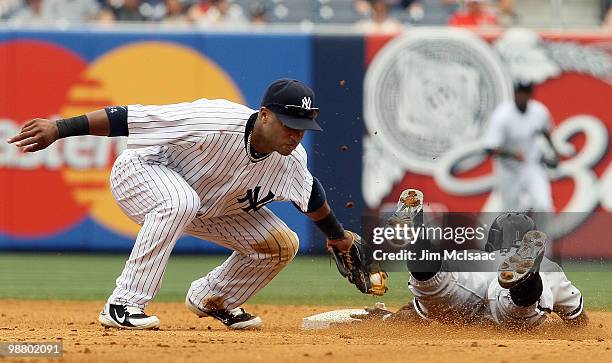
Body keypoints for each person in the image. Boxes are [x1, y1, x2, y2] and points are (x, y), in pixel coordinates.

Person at [7, 79, 358, 330]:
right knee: (180, 200)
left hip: (205, 206)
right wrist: (60, 128)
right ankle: (123, 303)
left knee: (282, 245)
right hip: (141, 174)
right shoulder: (214, 120)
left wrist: (338, 237)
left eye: (303, 127)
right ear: (264, 115)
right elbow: (127, 118)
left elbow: (311, 197)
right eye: (290, 124)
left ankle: (212, 298)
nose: (296, 134)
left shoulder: (291, 159)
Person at [361, 189, 587, 327]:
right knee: (521, 306)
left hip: (470, 280)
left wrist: (388, 319)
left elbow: (418, 311)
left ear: (491, 244)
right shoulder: (553, 270)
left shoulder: (476, 258)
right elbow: (578, 320)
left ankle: (417, 227)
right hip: (509, 299)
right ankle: (529, 277)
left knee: (432, 283)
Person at [480, 81, 560, 213]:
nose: (521, 97)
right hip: (509, 170)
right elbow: (489, 148)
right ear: (514, 93)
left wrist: (554, 151)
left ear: (530, 94)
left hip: (531, 165)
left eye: (524, 93)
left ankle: (543, 234)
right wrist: (512, 154)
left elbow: (546, 131)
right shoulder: (502, 116)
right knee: (511, 212)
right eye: (518, 93)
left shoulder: (539, 111)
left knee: (544, 205)